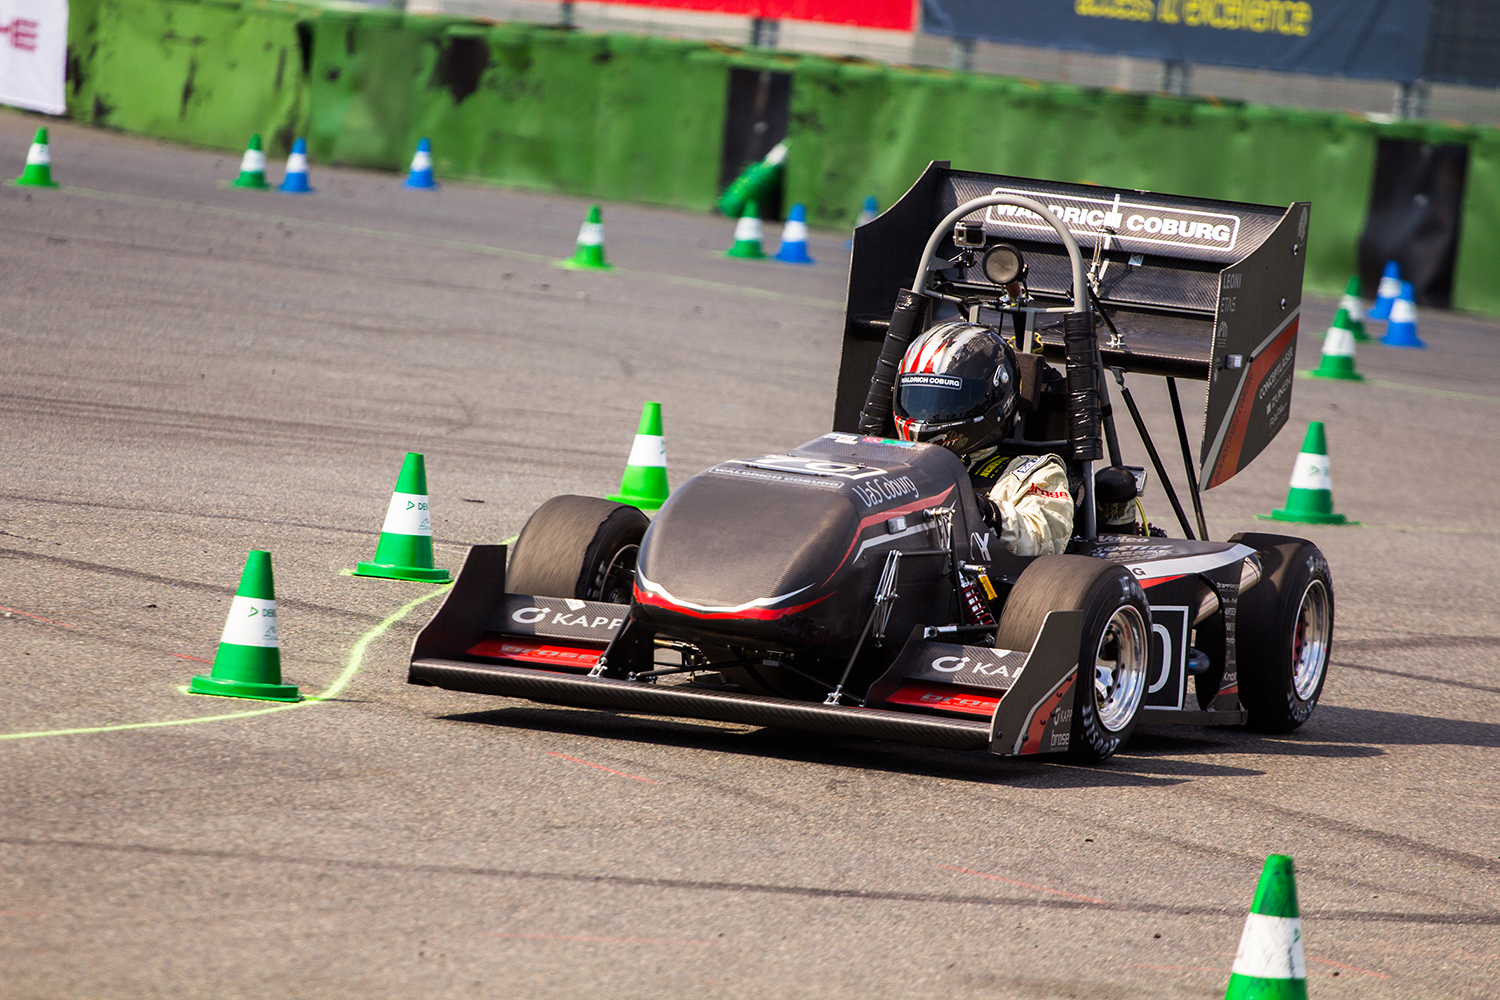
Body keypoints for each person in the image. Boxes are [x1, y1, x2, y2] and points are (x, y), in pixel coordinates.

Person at [891, 321, 1075, 556]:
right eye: (919, 399)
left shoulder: (1030, 473)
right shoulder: (885, 457)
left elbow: (1043, 536)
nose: (927, 414)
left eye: (946, 401)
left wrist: (982, 511)